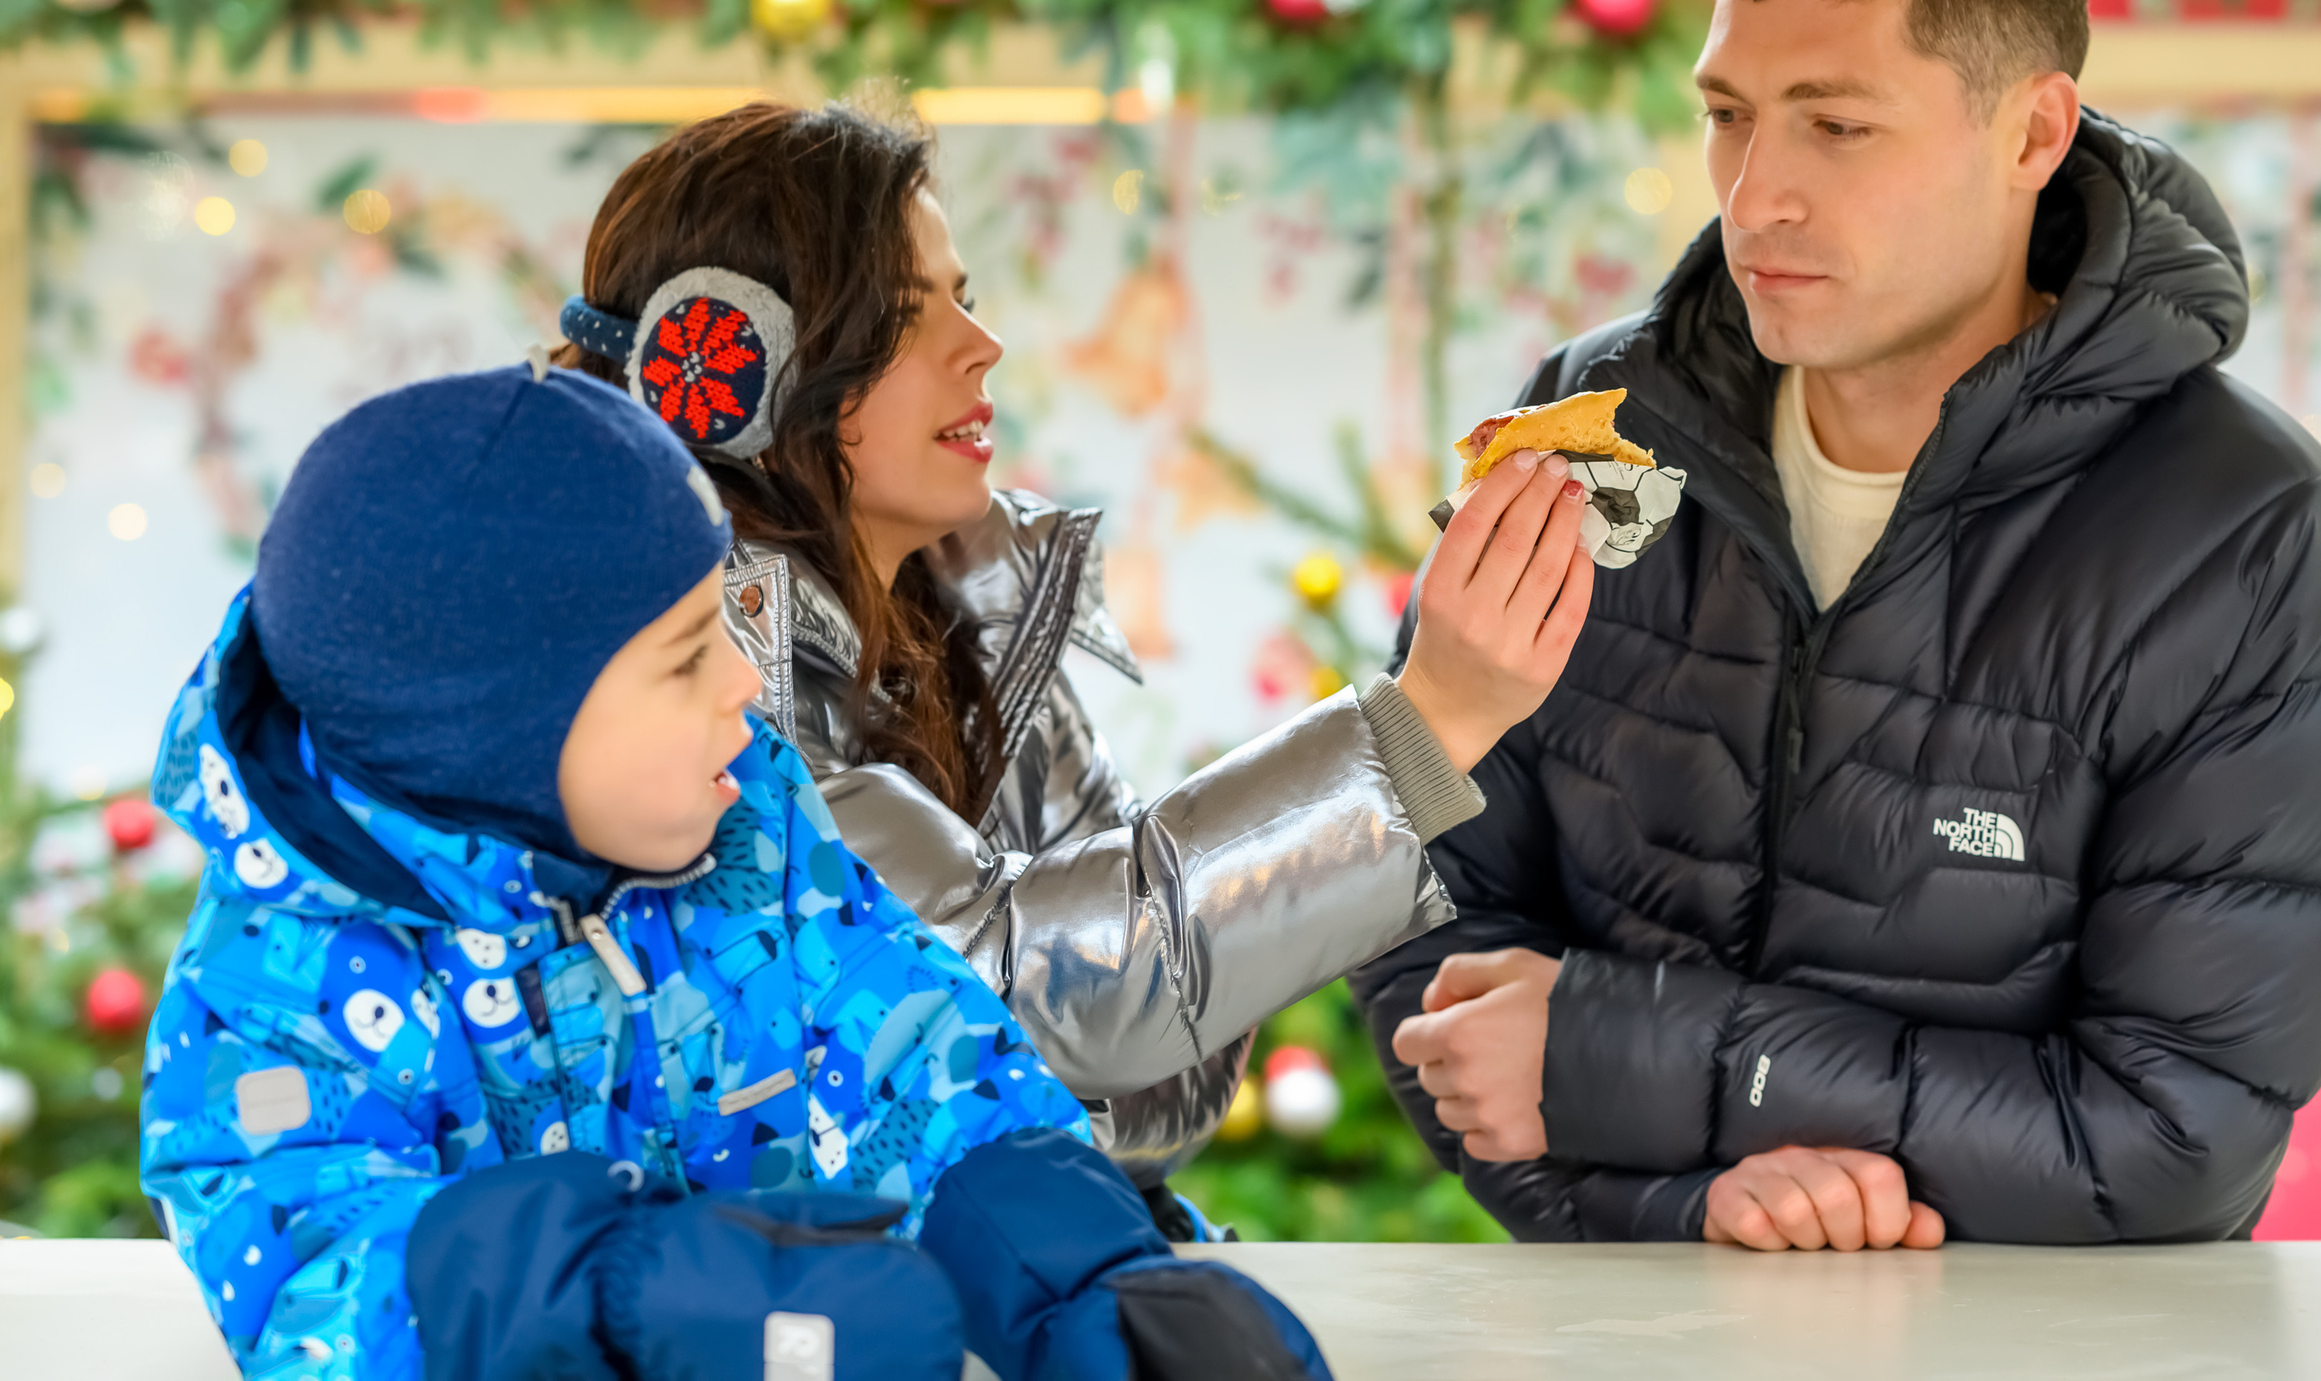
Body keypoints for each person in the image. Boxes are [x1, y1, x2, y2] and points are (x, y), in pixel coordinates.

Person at [1352, 0, 2321, 1249]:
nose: (1754, 196)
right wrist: (1689, 1203)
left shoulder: (2253, 547)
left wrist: (1637, 1060)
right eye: (1729, 115)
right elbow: (1431, 929)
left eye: (1835, 126)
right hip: (1635, 1329)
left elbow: (2175, 1141)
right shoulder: (1590, 429)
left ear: (2034, 135)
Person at [139, 364, 1337, 1380]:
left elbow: (915, 1054)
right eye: (680, 659)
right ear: (497, 737)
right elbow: (309, 1268)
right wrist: (628, 1295)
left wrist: (1083, 1282)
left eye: (728, 622)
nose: (743, 686)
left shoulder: (745, 829)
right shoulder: (271, 992)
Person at [555, 97, 1595, 1223]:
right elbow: (1012, 997)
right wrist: (1422, 727)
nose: (980, 346)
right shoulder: (698, 683)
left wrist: (1039, 1085)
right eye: (907, 317)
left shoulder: (976, 618)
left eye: (965, 297)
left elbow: (1171, 1068)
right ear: (734, 371)